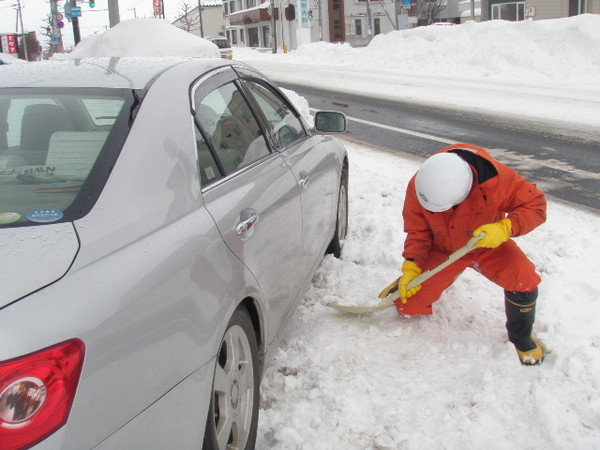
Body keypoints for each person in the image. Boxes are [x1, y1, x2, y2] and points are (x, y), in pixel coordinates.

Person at [379, 143, 547, 365]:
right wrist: (412, 264)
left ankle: (521, 337)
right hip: (443, 249)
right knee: (408, 307)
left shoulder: (498, 179)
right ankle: (413, 280)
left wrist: (507, 227)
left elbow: (535, 204)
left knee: (523, 279)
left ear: (466, 190)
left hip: (487, 243)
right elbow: (417, 231)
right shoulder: (421, 184)